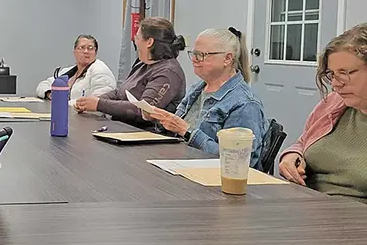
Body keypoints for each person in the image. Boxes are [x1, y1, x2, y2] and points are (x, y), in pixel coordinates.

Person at [145, 27, 266, 168]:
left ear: (227, 58)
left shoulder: (245, 103)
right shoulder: (198, 89)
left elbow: (238, 161)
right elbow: (176, 131)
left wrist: (187, 132)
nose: (195, 60)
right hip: (182, 164)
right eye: (194, 54)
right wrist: (159, 119)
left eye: (202, 55)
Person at [278, 23, 367, 203]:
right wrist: (292, 155)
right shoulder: (333, 104)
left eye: (345, 72)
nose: (336, 83)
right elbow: (304, 141)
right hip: (306, 205)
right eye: (332, 74)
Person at [74, 17, 186, 128]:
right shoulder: (143, 63)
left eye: (137, 37)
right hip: (122, 129)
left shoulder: (168, 72)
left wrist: (99, 104)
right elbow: (119, 93)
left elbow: (144, 110)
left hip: (147, 136)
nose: (135, 40)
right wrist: (91, 102)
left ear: (149, 42)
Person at [36, 34, 116, 102]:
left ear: (96, 52)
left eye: (90, 48)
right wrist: (49, 93)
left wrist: (63, 101)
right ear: (74, 52)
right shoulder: (69, 72)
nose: (86, 51)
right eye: (82, 48)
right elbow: (43, 85)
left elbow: (97, 103)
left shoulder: (100, 71)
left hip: (90, 119)